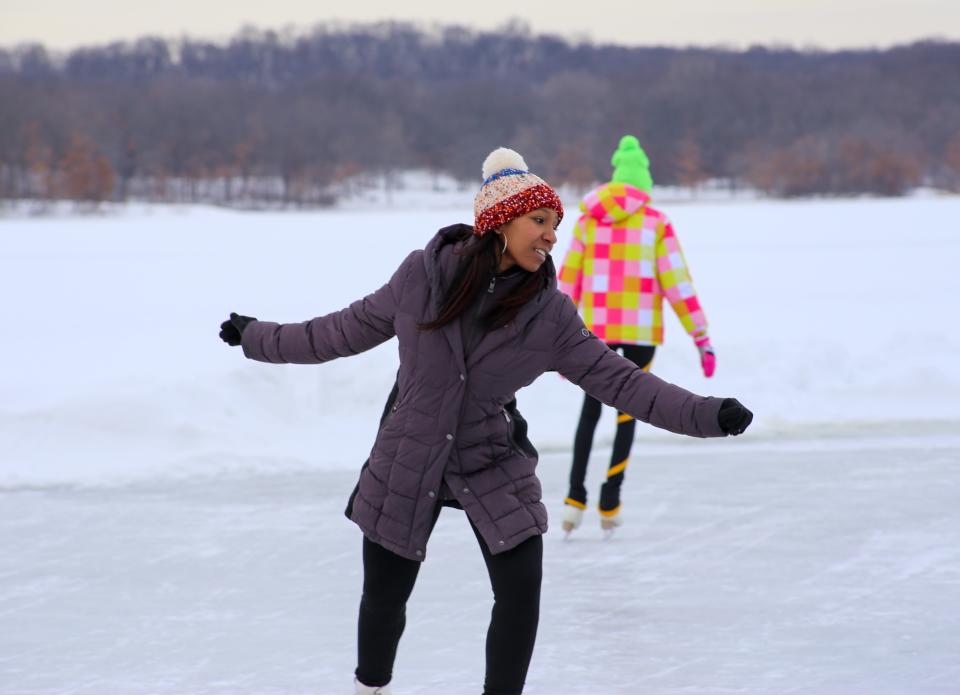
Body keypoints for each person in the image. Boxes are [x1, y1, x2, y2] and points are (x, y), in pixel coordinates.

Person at [219, 147, 753, 695]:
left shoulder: (549, 314)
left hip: (489, 456)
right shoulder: (420, 278)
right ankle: (370, 688)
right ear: (500, 222)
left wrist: (707, 414)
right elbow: (336, 331)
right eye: (539, 221)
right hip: (408, 451)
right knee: (384, 596)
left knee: (521, 590)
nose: (551, 237)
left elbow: (621, 381)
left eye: (555, 225)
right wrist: (257, 336)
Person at [557, 135, 718, 534]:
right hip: (641, 332)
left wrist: (557, 341)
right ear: (643, 185)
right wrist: (701, 337)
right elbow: (677, 285)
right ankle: (610, 499)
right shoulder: (656, 224)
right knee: (629, 411)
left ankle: (575, 497)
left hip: (593, 334)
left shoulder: (587, 222)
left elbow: (567, 283)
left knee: (589, 411)